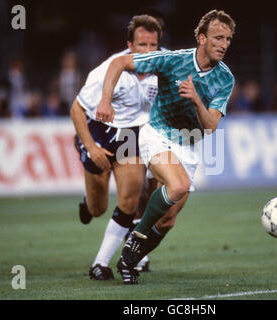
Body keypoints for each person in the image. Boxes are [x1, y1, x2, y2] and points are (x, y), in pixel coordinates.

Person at [96, 9, 236, 284]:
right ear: (201, 38)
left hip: (190, 146)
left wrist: (196, 99)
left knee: (167, 221)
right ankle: (131, 245)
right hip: (157, 134)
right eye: (218, 37)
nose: (224, 44)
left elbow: (210, 127)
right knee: (179, 185)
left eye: (228, 39)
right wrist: (105, 101)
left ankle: (128, 260)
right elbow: (118, 64)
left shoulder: (225, 78)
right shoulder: (173, 60)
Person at [70, 15, 162, 281]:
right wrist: (90, 146)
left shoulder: (162, 69)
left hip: (130, 138)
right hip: (99, 136)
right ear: (129, 46)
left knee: (131, 198)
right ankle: (88, 205)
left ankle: (100, 263)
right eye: (142, 45)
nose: (147, 51)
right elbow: (76, 108)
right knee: (98, 207)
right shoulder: (107, 71)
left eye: (152, 45)